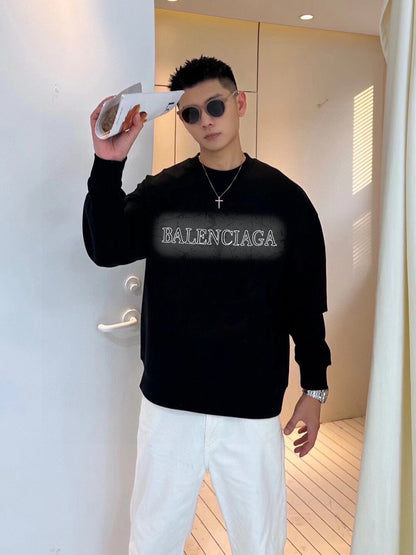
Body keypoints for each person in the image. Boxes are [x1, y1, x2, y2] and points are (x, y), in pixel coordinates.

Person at [83, 56, 331, 555]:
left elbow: (305, 300)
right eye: (191, 114)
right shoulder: (163, 193)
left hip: (251, 407)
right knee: (152, 538)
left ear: (239, 104)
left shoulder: (285, 200)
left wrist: (315, 386)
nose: (206, 121)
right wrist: (107, 164)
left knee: (260, 541)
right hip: (170, 403)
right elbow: (105, 247)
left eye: (215, 106)